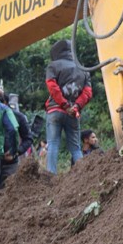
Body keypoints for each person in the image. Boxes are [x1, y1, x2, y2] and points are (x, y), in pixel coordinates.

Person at [45, 39, 93, 173]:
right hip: (73, 113)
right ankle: (83, 174)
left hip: (56, 110)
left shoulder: (53, 66)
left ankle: (51, 175)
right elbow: (88, 92)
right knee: (75, 148)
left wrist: (64, 105)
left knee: (53, 144)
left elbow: (52, 87)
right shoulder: (83, 69)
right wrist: (75, 107)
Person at [0, 92, 32, 188]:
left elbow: (28, 138)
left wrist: (16, 152)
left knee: (8, 189)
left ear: (5, 103)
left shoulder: (18, 117)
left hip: (10, 163)